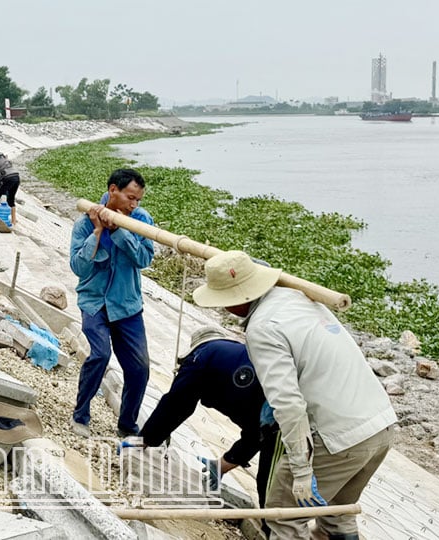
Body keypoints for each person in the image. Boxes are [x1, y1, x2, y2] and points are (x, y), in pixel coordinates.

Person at [192, 250, 397, 540]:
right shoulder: (296, 297)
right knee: (338, 513)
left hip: (337, 437)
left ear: (235, 300)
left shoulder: (263, 327)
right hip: (380, 425)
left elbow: (287, 404)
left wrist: (302, 470)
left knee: (285, 516)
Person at [136, 326, 278, 510]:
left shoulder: (201, 356)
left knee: (274, 481)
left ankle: (277, 525)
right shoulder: (233, 354)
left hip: (282, 412)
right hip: (277, 410)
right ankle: (272, 524)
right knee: (273, 481)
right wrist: (222, 465)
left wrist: (142, 440)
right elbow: (256, 435)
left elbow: (176, 404)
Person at [69, 168, 154, 438]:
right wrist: (97, 232)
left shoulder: (141, 220)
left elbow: (144, 259)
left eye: (138, 200)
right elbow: (78, 267)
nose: (134, 204)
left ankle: (127, 425)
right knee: (100, 354)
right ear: (112, 190)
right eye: (130, 198)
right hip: (94, 301)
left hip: (127, 304)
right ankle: (80, 414)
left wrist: (119, 231)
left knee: (139, 368)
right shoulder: (85, 222)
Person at [0, 152, 20, 225]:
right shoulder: (6, 161)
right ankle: (13, 221)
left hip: (8, 178)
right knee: (11, 199)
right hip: (16, 177)